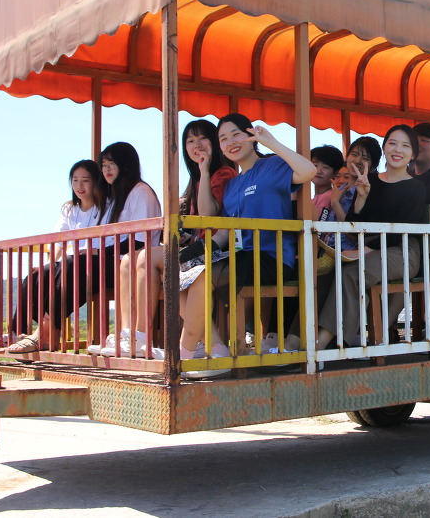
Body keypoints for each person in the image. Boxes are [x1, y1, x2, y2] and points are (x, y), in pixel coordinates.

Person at [176, 114, 316, 378]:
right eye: (223, 139)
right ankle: (216, 349)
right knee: (181, 274)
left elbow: (308, 171)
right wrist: (191, 255)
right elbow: (225, 232)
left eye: (236, 135)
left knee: (203, 275)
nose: (230, 142)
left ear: (251, 136)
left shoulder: (272, 165)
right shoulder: (233, 184)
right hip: (241, 255)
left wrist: (272, 142)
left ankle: (184, 356)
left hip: (272, 257)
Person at [94, 120, 237, 357]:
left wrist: (204, 170)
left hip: (219, 250)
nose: (197, 145)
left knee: (147, 258)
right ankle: (209, 344)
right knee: (136, 262)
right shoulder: (197, 179)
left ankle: (142, 336)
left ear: (214, 141)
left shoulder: (223, 173)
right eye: (190, 141)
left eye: (202, 138)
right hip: (199, 248)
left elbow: (208, 215)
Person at [281, 125, 428, 351]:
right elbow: (353, 225)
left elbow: (401, 231)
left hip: (402, 251)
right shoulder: (370, 181)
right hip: (367, 247)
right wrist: (361, 198)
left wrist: (366, 250)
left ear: (413, 154)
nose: (398, 149)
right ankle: (294, 339)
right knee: (326, 272)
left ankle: (322, 345)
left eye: (405, 146)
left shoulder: (416, 187)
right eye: (392, 143)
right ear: (385, 148)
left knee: (351, 273)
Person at [7, 160, 113, 354]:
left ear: (96, 181)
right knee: (36, 274)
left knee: (69, 265)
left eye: (85, 180)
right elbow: (58, 241)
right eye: (75, 180)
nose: (79, 185)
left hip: (98, 261)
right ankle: (17, 330)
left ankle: (45, 333)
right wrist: (49, 265)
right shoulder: (70, 209)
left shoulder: (108, 207)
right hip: (74, 262)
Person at [84, 142, 163, 355]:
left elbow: (139, 240)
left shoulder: (141, 192)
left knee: (80, 267)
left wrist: (101, 253)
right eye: (104, 165)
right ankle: (127, 335)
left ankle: (133, 337)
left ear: (126, 164)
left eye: (112, 163)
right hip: (123, 260)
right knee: (70, 267)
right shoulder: (116, 197)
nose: (106, 169)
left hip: (141, 261)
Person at [310, 145, 344, 219]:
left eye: (325, 167)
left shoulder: (327, 197)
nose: (319, 171)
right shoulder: (320, 196)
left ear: (335, 173)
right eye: (315, 165)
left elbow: (319, 223)